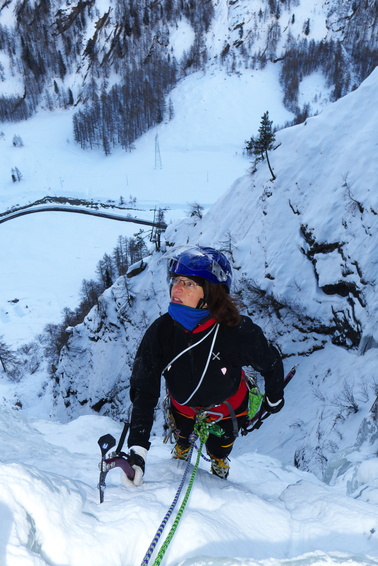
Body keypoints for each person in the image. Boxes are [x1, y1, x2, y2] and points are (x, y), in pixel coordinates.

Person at [123, 245, 285, 486]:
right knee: (183, 432)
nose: (176, 288)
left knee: (220, 446)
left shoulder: (237, 332)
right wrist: (137, 449)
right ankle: (183, 444)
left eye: (189, 283)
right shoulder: (162, 331)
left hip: (226, 407)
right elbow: (144, 388)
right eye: (176, 280)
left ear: (211, 292)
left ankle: (219, 458)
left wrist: (274, 395)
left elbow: (270, 363)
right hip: (183, 404)